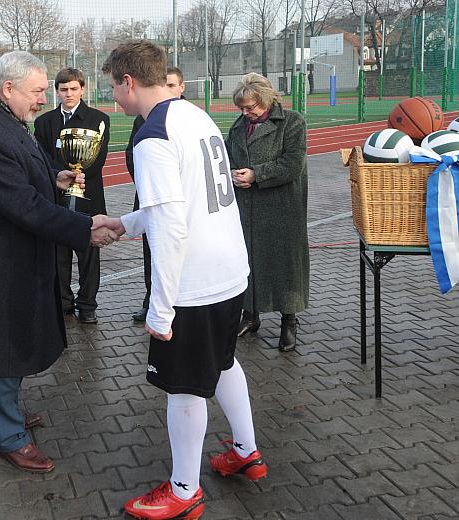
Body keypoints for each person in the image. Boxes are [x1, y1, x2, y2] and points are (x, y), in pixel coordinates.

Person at [99, 41, 267, 520]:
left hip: (193, 280)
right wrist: (126, 224)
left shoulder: (152, 136)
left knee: (184, 389)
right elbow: (185, 202)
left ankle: (183, 490)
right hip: (231, 270)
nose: (113, 95)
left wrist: (160, 307)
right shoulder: (193, 116)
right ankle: (246, 450)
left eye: (113, 84)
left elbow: (172, 227)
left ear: (129, 81)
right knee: (225, 362)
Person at [0, 51, 118, 473]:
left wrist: (55, 178)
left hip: (12, 255)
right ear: (9, 88)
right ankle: (9, 436)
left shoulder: (1, 119)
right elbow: (21, 204)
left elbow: (25, 175)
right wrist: (83, 229)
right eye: (38, 91)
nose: (43, 99)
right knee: (5, 342)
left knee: (6, 336)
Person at [225, 72, 309, 352]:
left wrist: (256, 174)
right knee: (248, 263)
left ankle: (289, 320)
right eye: (242, 108)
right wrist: (234, 174)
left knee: (285, 266)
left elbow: (292, 164)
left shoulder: (292, 122)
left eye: (251, 107)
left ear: (266, 99)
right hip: (247, 208)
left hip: (282, 208)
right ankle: (250, 315)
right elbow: (227, 158)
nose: (246, 112)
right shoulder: (238, 127)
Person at [34, 68, 110, 324]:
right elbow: (42, 159)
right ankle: (63, 302)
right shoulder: (43, 123)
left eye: (73, 89)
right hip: (57, 196)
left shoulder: (98, 118)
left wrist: (78, 176)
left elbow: (97, 160)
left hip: (89, 196)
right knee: (59, 254)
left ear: (82, 89)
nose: (68, 94)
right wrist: (61, 176)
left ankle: (87, 304)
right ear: (56, 91)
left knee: (89, 253)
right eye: (63, 89)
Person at [126, 66, 185, 322]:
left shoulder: (189, 119)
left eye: (173, 85)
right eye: (166, 85)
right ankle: (151, 299)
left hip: (178, 199)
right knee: (152, 251)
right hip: (149, 194)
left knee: (172, 246)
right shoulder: (143, 118)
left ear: (181, 88)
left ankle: (175, 304)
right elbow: (131, 154)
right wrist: (146, 181)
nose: (168, 90)